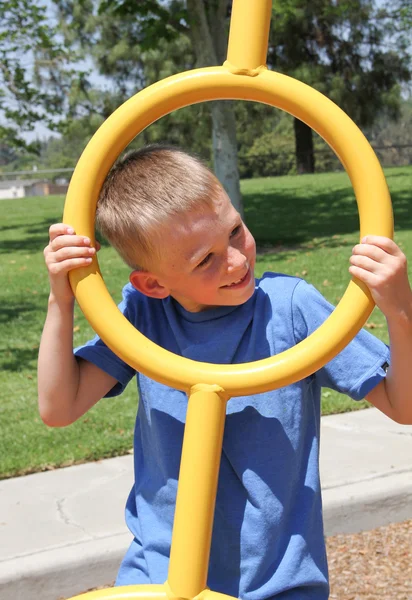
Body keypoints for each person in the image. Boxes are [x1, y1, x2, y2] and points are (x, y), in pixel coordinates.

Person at [38, 145, 412, 600]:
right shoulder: (145, 318)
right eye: (205, 260)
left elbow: (402, 404)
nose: (236, 261)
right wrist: (62, 299)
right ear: (154, 284)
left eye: (235, 231)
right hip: (160, 571)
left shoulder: (289, 309)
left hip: (276, 582)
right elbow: (58, 407)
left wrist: (400, 309)